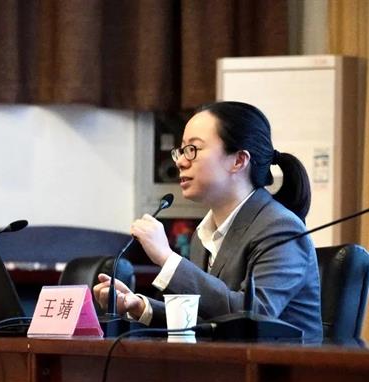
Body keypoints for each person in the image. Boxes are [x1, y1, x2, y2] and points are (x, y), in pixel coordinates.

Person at [93, 101, 323, 341]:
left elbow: (253, 317)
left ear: (238, 160)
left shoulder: (281, 228)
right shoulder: (203, 233)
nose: (180, 161)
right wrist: (140, 306)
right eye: (181, 151)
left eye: (193, 149)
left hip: (279, 363)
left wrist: (167, 258)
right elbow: (205, 318)